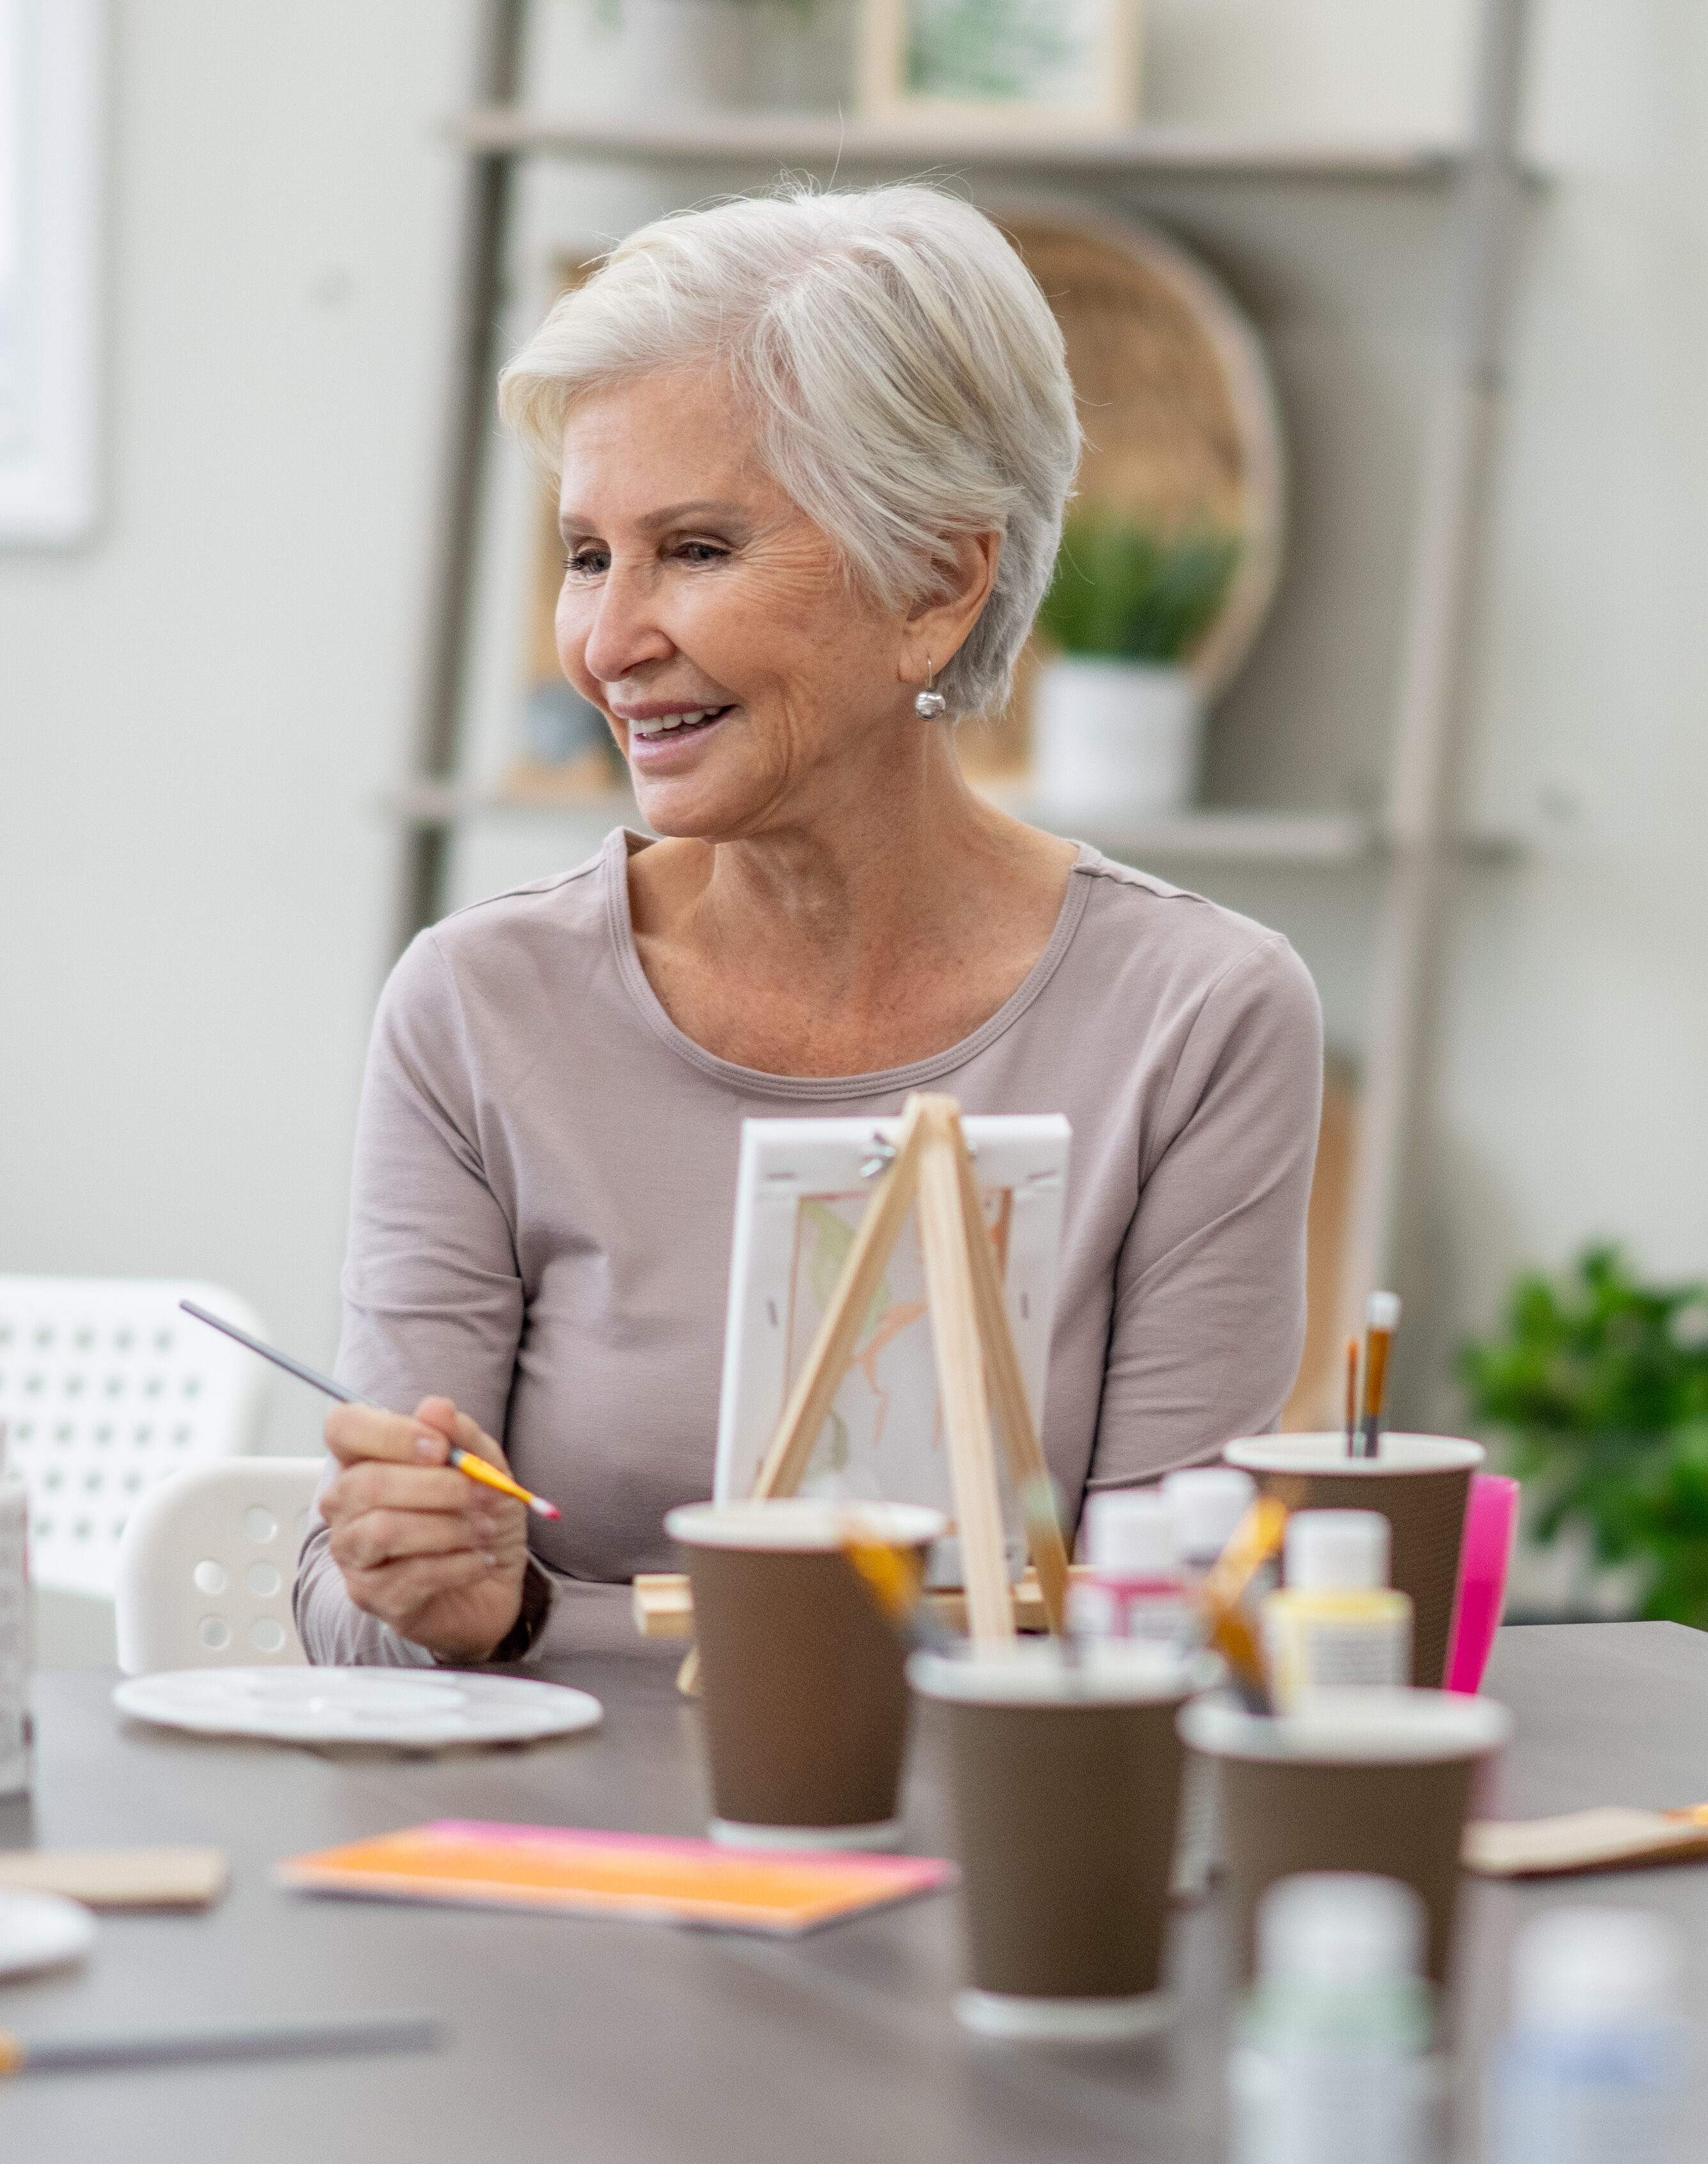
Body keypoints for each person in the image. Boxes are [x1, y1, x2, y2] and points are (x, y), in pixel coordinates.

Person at [305, 184, 1324, 1666]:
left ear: (934, 584)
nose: (604, 641)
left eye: (698, 550)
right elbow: (352, 1606)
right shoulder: (479, 1002)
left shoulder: (1199, 1017)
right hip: (554, 1864)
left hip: (992, 1852)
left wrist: (576, 1622)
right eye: (590, 554)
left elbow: (1167, 1637)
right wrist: (450, 1596)